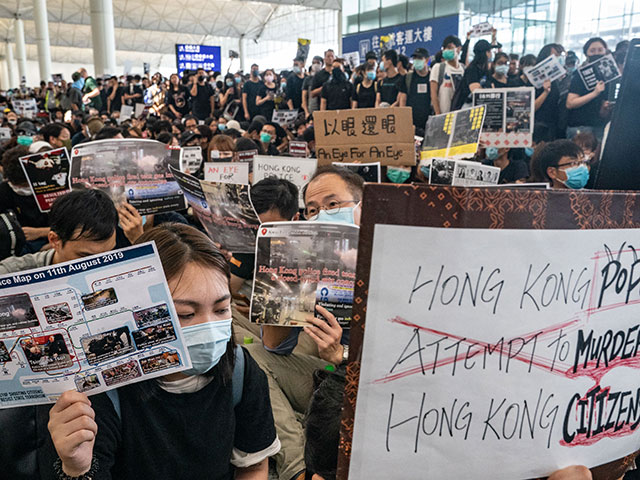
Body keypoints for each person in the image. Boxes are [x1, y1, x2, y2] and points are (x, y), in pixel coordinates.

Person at [46, 223, 279, 479]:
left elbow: (254, 466)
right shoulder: (102, 392)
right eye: (185, 314)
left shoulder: (241, 372)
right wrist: (76, 469)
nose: (209, 328)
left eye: (221, 309)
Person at [246, 165, 362, 480]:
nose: (322, 215)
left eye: (333, 205)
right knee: (253, 355)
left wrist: (343, 357)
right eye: (313, 210)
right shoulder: (307, 257)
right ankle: (297, 468)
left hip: (362, 387)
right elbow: (274, 347)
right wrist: (286, 277)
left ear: (362, 206)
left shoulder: (393, 255)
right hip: (325, 372)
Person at [0, 190, 118, 479]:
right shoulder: (10, 277)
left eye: (107, 256)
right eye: (83, 257)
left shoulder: (112, 273)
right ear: (54, 240)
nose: (95, 268)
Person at [0, 145, 51, 251]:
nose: (22, 189)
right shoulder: (4, 192)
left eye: (26, 185)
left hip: (52, 238)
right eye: (16, 185)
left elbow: (71, 226)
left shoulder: (51, 188)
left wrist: (40, 232)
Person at [566, 37, 611, 140]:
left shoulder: (609, 74)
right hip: (581, 126)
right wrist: (594, 93)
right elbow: (570, 103)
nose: (596, 53)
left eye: (600, 50)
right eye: (592, 50)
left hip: (599, 126)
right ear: (586, 54)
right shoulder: (579, 74)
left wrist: (606, 107)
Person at [453, 39, 496, 109]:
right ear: (484, 53)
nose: (491, 54)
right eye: (489, 51)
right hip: (467, 107)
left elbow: (492, 87)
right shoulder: (472, 69)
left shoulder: (486, 70)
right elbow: (476, 91)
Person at [430, 35, 465, 115]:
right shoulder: (438, 67)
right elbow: (433, 93)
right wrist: (438, 114)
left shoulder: (463, 69)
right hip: (443, 116)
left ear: (458, 49)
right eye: (444, 48)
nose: (446, 50)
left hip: (459, 116)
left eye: (449, 47)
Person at [405, 47, 432, 130]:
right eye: (415, 58)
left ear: (427, 60)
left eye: (420, 58)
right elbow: (403, 99)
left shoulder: (432, 77)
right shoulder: (408, 78)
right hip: (411, 123)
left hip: (429, 122)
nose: (416, 60)